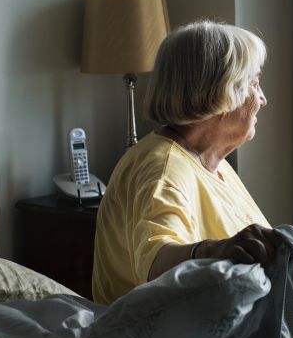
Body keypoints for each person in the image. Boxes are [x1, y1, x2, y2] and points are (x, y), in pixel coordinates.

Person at [92, 20, 280, 305]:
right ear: (222, 91)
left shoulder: (213, 164)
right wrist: (216, 251)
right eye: (254, 83)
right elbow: (155, 263)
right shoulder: (163, 168)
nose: (263, 99)